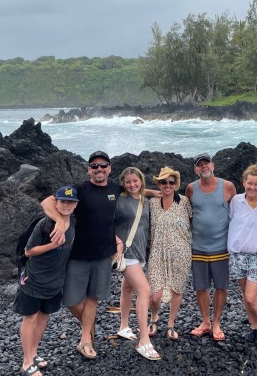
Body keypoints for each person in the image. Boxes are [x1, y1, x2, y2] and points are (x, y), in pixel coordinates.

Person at [41, 150, 122, 360]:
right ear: (89, 170)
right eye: (94, 166)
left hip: (104, 254)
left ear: (109, 168)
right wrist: (60, 220)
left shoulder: (115, 188)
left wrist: (161, 192)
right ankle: (88, 322)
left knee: (92, 297)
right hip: (78, 255)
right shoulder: (80, 189)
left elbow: (137, 189)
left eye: (103, 165)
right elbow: (47, 202)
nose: (99, 169)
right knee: (71, 300)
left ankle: (85, 340)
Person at [14, 186, 78, 376]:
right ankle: (26, 362)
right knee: (30, 318)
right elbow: (28, 251)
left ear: (76, 205)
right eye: (62, 201)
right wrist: (52, 245)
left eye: (70, 202)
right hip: (34, 280)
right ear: (56, 203)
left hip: (55, 281)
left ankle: (33, 354)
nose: (66, 205)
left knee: (43, 317)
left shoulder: (73, 221)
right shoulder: (45, 224)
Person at [185, 152, 236, 341]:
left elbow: (239, 213)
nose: (204, 167)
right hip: (198, 246)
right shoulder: (191, 189)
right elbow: (188, 215)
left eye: (207, 163)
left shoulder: (228, 186)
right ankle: (205, 322)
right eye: (200, 165)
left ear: (213, 166)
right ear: (196, 169)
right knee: (201, 287)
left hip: (221, 246)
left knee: (221, 287)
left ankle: (216, 323)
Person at [114, 167, 160, 360]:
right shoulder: (119, 201)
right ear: (123, 184)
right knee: (145, 291)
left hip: (140, 252)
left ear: (141, 181)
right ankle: (143, 340)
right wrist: (116, 242)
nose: (132, 184)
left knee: (127, 289)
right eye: (128, 182)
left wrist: (150, 192)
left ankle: (124, 326)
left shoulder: (145, 201)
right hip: (127, 253)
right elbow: (106, 223)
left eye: (135, 181)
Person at [228, 164, 257, 345]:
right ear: (243, 183)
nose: (252, 187)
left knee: (250, 297)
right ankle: (254, 324)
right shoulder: (236, 202)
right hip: (238, 255)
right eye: (249, 183)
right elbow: (232, 222)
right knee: (245, 294)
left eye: (256, 184)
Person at [147, 167, 192, 341]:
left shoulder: (184, 202)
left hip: (181, 252)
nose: (167, 185)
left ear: (176, 184)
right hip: (157, 251)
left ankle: (171, 323)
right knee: (155, 294)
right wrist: (152, 191)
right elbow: (129, 190)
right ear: (159, 183)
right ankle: (154, 317)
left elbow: (191, 223)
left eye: (171, 182)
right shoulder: (152, 203)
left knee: (176, 288)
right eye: (163, 182)